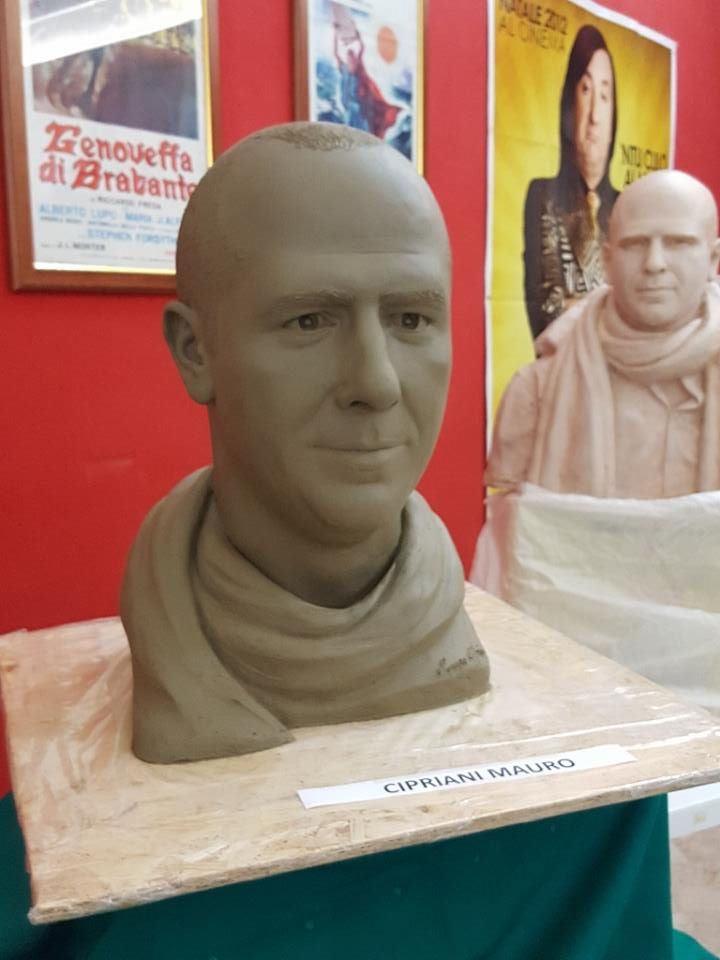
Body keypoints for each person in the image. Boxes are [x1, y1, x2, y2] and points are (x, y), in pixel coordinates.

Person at [121, 122, 490, 764]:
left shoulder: (446, 614)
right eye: (309, 321)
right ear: (195, 352)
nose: (376, 383)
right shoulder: (171, 620)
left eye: (411, 319)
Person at [487, 169, 720, 498]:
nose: (654, 263)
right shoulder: (537, 390)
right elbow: (514, 521)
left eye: (678, 243)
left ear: (713, 260)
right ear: (608, 260)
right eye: (635, 244)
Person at [523, 25, 620, 341]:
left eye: (604, 96)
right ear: (569, 105)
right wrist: (617, 315)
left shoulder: (626, 208)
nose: (595, 116)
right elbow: (547, 310)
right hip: (561, 366)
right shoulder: (544, 197)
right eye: (586, 90)